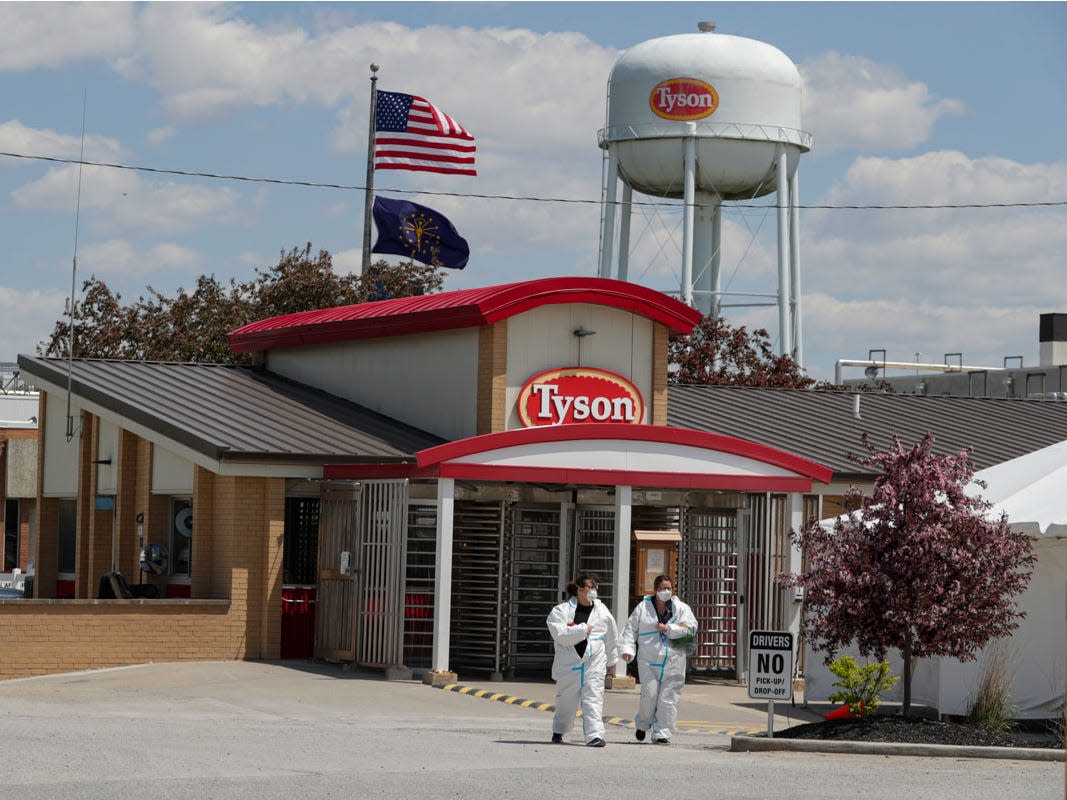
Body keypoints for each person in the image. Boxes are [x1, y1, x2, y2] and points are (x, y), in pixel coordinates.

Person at [618, 574, 697, 744]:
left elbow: (691, 629)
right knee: (649, 694)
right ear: (655, 589)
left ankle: (662, 732)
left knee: (668, 698)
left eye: (669, 588)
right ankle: (643, 724)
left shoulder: (681, 608)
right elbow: (630, 629)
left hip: (674, 660)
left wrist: (670, 629)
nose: (666, 591)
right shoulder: (643, 608)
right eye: (663, 588)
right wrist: (627, 649)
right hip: (649, 659)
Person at [546, 573, 619, 747]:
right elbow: (560, 635)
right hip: (569, 664)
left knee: (593, 698)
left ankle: (595, 735)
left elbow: (612, 636)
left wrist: (611, 661)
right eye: (590, 587)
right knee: (566, 701)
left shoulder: (602, 611)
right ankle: (559, 729)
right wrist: (583, 629)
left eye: (595, 587)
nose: (594, 590)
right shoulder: (561, 611)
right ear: (579, 590)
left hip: (594, 662)